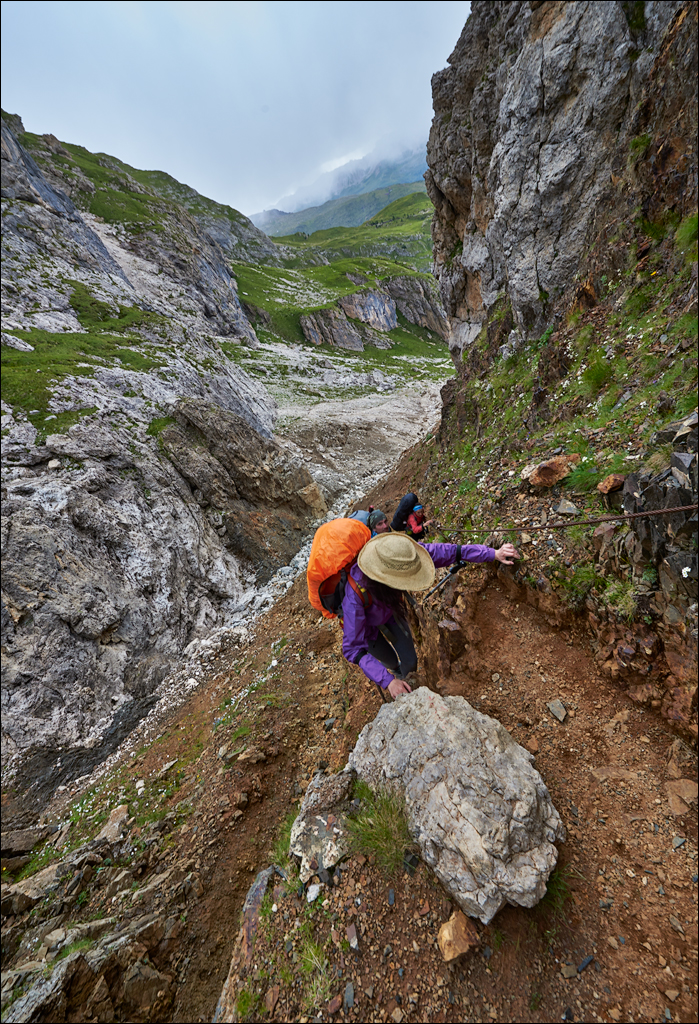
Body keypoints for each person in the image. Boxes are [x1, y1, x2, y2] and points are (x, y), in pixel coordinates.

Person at [341, 532, 519, 700]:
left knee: (410, 660)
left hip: (390, 612)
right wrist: (388, 681)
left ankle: (404, 674)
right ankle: (396, 671)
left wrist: (492, 553)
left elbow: (450, 552)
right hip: (366, 630)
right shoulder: (353, 598)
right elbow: (352, 649)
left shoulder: (401, 556)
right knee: (388, 659)